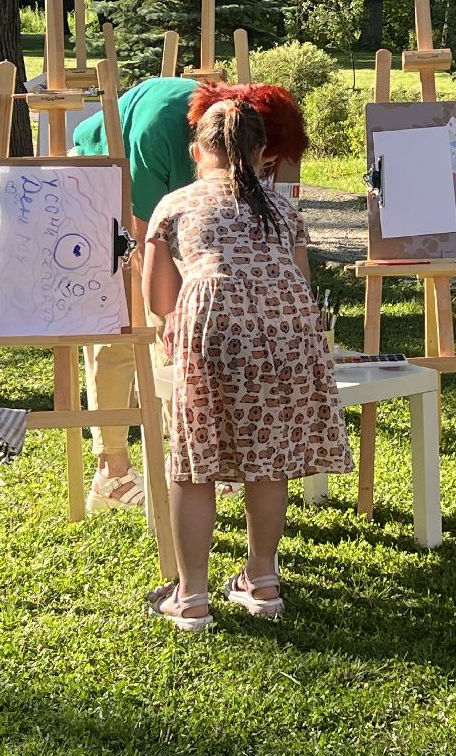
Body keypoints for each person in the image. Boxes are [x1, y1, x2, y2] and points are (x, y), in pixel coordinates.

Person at [141, 100, 351, 630]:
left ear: (197, 152)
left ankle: (191, 596)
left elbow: (159, 300)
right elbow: (298, 282)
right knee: (270, 454)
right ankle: (261, 579)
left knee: (194, 460)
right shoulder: (285, 211)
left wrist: (177, 325)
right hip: (288, 332)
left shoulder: (176, 204)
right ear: (262, 154)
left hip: (214, 327)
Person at [70, 78, 311, 511]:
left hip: (172, 196)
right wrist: (173, 320)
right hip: (102, 181)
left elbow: (276, 218)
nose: (267, 174)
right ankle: (112, 471)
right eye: (266, 164)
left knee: (177, 334)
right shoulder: (158, 135)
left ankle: (186, 456)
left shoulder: (248, 130)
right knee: (123, 323)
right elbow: (144, 247)